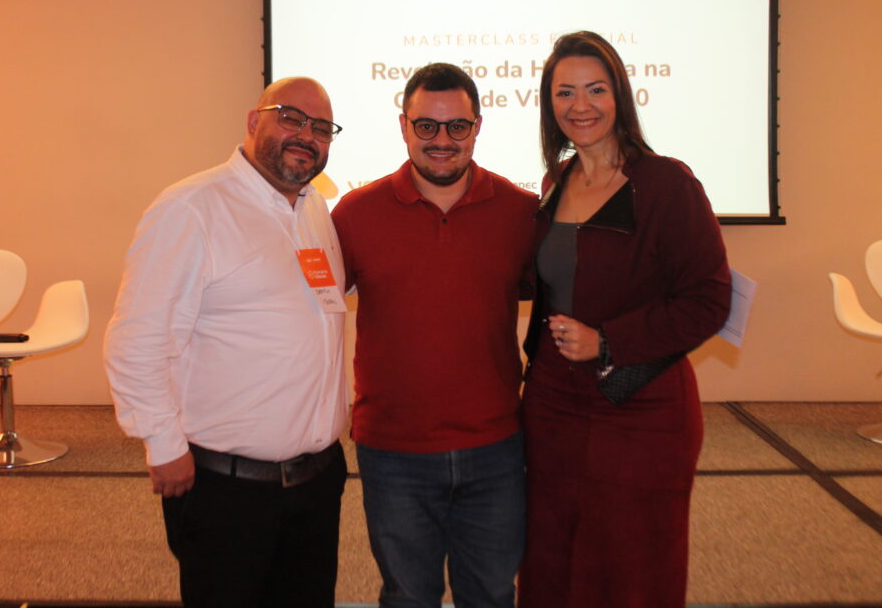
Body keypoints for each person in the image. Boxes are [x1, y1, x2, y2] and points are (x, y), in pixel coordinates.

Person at [104, 77, 349, 608]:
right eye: (291, 117)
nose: (306, 135)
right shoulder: (192, 208)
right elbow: (136, 338)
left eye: (321, 128)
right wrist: (163, 444)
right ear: (252, 120)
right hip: (227, 490)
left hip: (316, 483)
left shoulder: (313, 211)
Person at [518, 31, 732, 607]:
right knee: (549, 560)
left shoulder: (666, 183)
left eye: (595, 89)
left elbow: (710, 299)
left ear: (621, 96)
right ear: (548, 102)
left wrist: (608, 341)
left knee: (632, 567)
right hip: (552, 407)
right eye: (564, 92)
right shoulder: (555, 183)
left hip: (639, 408)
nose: (579, 105)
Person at [331, 62, 539, 608]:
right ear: (404, 126)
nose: (441, 141)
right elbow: (307, 308)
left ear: (477, 127)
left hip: (495, 446)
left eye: (456, 127)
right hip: (393, 450)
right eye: (427, 126)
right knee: (407, 596)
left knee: (492, 595)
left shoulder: (522, 214)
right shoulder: (354, 214)